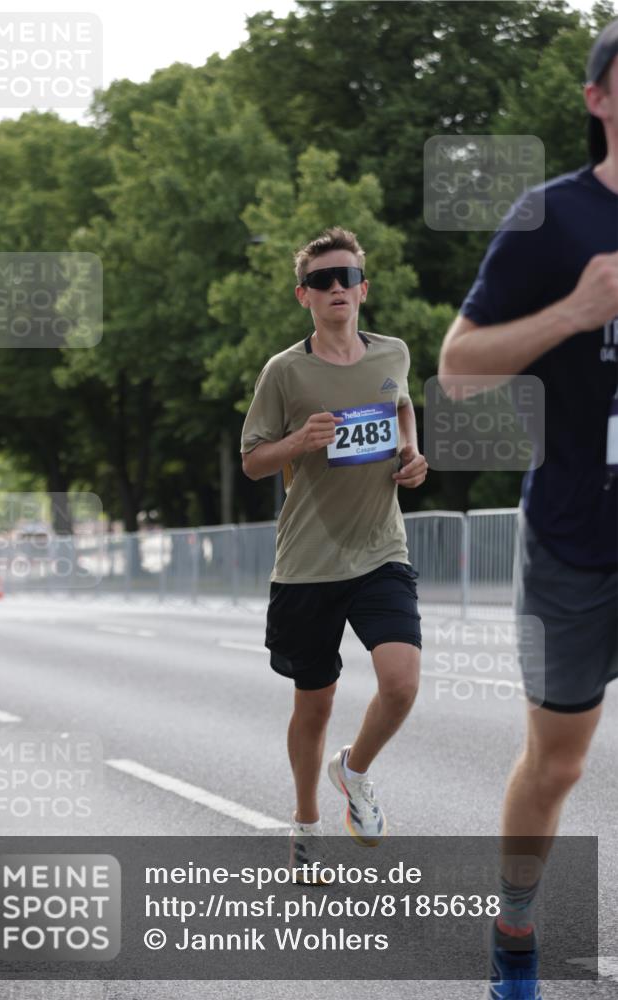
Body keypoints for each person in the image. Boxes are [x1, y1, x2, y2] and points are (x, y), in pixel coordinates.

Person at [439, 20, 618, 1000]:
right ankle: (514, 929)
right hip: (573, 539)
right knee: (556, 764)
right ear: (596, 99)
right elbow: (455, 370)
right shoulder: (550, 218)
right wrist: (572, 314)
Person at [240, 226, 427, 880]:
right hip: (308, 563)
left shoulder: (393, 354)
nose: (336, 287)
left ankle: (354, 770)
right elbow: (252, 460)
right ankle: (305, 827)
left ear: (362, 288)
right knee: (312, 704)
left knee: (401, 684)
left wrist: (410, 453)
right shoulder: (285, 371)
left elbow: (402, 410)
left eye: (346, 276)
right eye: (322, 280)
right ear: (304, 296)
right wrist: (298, 441)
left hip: (380, 550)